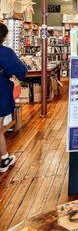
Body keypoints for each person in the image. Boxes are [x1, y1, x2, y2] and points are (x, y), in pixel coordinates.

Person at [0, 23, 27, 172]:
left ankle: (5, 159)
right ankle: (4, 159)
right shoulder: (4, 52)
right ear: (4, 37)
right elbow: (21, 70)